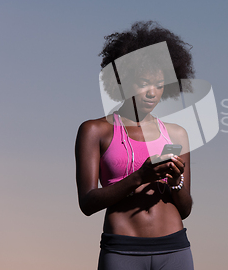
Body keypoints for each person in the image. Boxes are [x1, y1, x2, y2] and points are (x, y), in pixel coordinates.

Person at [75, 21, 195, 270]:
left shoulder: (177, 134)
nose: (153, 92)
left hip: (175, 248)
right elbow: (87, 203)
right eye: (144, 83)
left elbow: (185, 209)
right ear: (124, 80)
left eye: (160, 85)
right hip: (121, 250)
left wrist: (175, 182)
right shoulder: (95, 130)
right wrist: (140, 177)